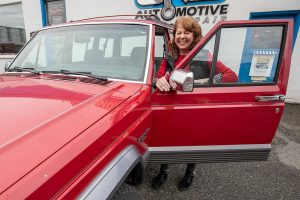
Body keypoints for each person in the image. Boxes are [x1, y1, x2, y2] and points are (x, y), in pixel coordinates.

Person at [152, 16, 238, 191]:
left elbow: (231, 75)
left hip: (194, 107)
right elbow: (157, 76)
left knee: (193, 141)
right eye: (178, 32)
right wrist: (158, 81)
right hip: (171, 106)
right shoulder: (169, 56)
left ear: (195, 35)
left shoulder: (204, 55)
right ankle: (164, 170)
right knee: (167, 140)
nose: (182, 36)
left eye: (187, 32)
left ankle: (190, 172)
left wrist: (202, 82)